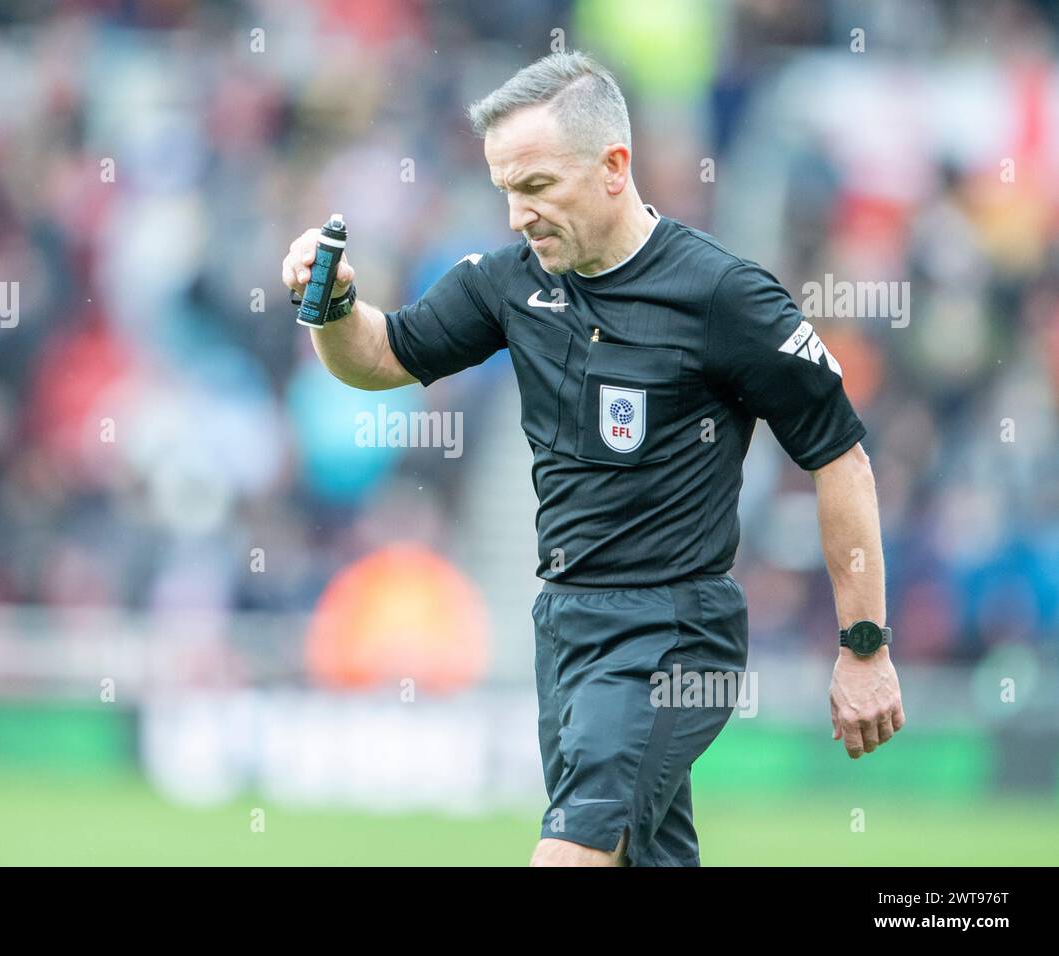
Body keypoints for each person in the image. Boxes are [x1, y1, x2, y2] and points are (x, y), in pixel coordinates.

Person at [280, 51, 904, 867]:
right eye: (505, 189)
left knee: (569, 855)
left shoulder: (724, 297)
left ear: (614, 167)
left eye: (536, 187)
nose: (516, 215)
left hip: (675, 630)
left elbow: (840, 457)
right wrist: (329, 308)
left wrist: (864, 645)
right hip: (567, 628)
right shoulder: (506, 283)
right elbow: (381, 357)